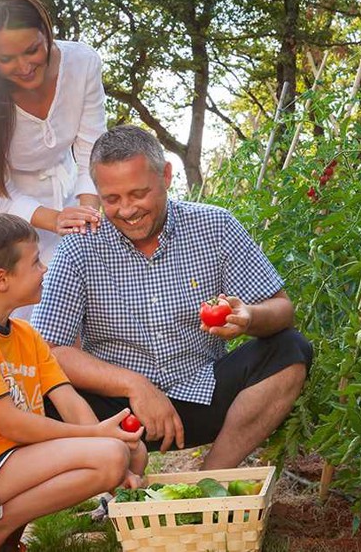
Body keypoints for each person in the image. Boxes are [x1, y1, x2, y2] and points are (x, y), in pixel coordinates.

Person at [31, 125, 313, 470]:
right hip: (119, 415)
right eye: (112, 199)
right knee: (33, 394)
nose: (127, 210)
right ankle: (115, 481)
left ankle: (212, 480)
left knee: (290, 348)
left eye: (138, 194)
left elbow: (283, 309)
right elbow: (49, 350)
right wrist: (134, 385)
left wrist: (250, 317)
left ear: (165, 175)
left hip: (204, 394)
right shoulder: (80, 246)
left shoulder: (215, 226)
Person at [0, 213, 147, 552]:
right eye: (35, 261)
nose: (45, 269)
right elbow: (13, 424)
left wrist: (112, 444)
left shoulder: (24, 334)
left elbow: (66, 398)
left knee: (130, 450)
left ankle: (2, 536)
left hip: (11, 460)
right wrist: (97, 437)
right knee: (110, 454)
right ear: (1, 280)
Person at [0, 0, 107, 321]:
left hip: (64, 195)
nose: (24, 66)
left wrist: (85, 215)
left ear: (46, 33)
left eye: (33, 50)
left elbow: (91, 149)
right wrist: (52, 219)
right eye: (6, 59)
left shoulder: (82, 63)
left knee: (60, 313)